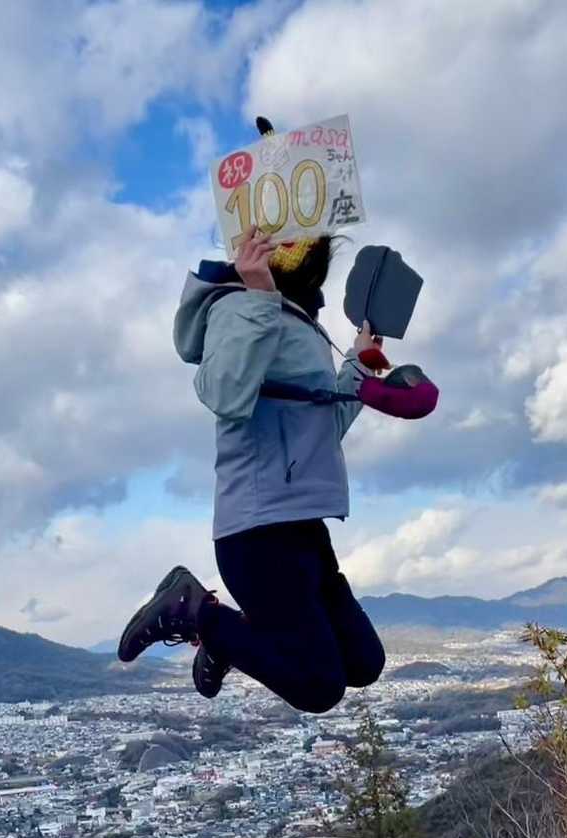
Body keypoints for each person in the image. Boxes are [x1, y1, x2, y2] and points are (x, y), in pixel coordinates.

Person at [117, 225, 388, 715]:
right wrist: (260, 295)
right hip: (258, 532)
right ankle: (194, 612)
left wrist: (360, 364)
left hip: (305, 525)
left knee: (364, 662)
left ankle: (231, 639)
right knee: (318, 687)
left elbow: (321, 426)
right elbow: (222, 393)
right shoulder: (237, 307)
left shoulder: (300, 320)